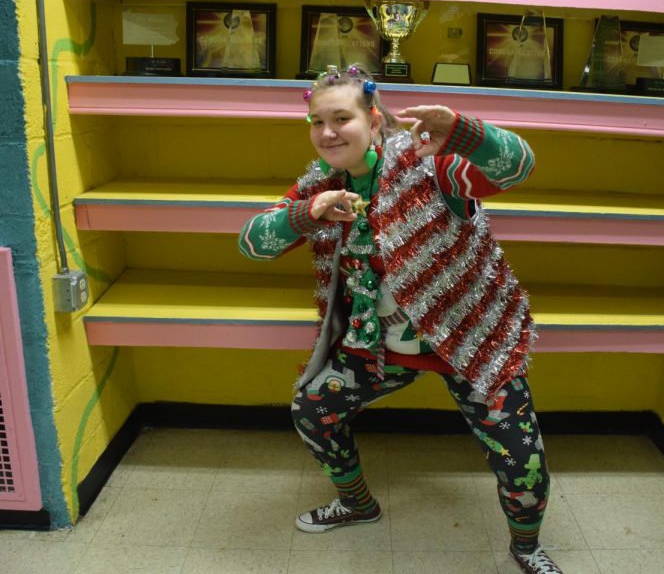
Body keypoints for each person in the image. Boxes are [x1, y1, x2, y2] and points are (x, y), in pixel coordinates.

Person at [239, 64, 560, 574]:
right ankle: (358, 505)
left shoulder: (429, 165)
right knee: (311, 410)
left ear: (372, 117)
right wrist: (307, 213)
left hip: (470, 343)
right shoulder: (320, 187)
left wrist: (462, 131)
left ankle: (526, 549)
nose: (327, 132)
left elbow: (516, 167)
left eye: (340, 118)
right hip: (379, 348)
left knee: (523, 465)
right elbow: (253, 243)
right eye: (316, 121)